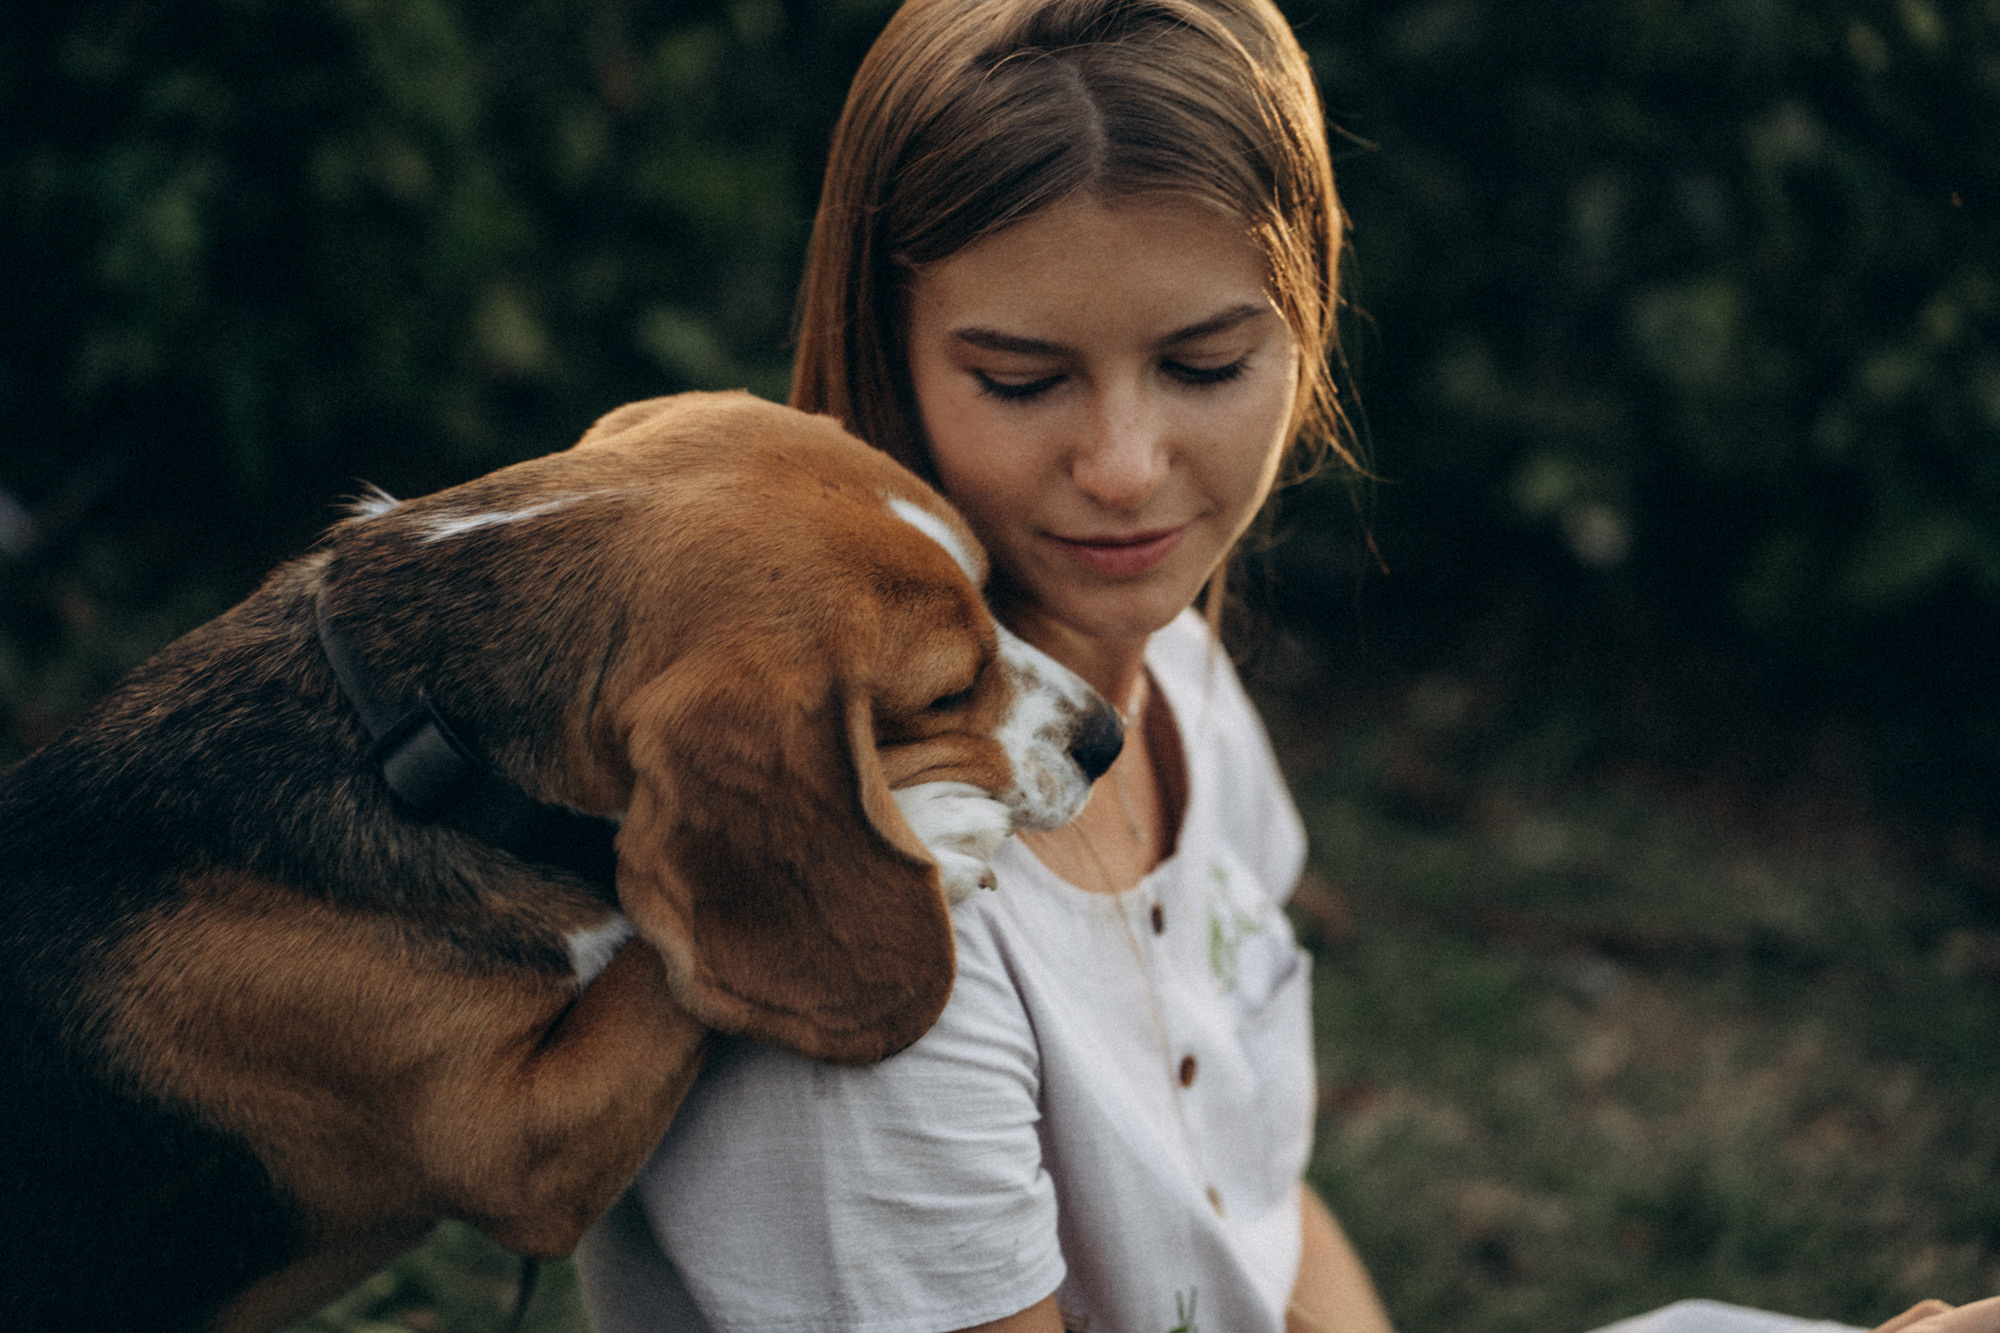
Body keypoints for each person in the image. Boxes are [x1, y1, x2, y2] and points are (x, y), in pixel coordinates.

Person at [573, 1, 2000, 1331]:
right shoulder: (859, 913)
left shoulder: (1181, 687)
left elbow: (1265, 1216)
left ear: (1308, 323)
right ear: (885, 352)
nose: (1125, 470)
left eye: (1202, 367)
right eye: (1020, 379)